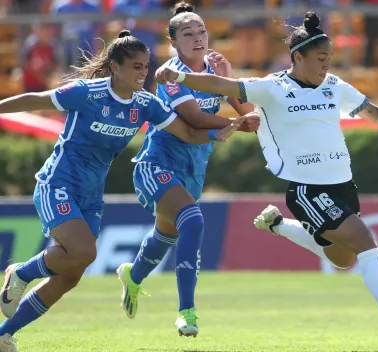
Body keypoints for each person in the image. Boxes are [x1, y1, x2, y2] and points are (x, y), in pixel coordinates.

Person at [154, 11, 378, 348]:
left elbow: (375, 113)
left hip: (343, 187)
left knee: (344, 258)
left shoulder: (334, 86)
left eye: (330, 59)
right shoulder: (272, 89)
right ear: (298, 57)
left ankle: (278, 225)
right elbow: (223, 86)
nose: (326, 65)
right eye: (321, 59)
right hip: (307, 190)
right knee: (364, 239)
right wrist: (179, 76)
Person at [0, 30, 244, 352]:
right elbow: (37, 99)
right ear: (115, 67)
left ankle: (5, 334)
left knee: (71, 274)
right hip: (58, 183)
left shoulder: (146, 104)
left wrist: (219, 132)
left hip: (91, 195)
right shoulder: (87, 92)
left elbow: (186, 131)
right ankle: (22, 272)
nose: (143, 73)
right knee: (85, 253)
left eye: (146, 66)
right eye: (135, 67)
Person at [116, 1, 258, 338]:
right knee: (192, 220)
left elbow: (250, 116)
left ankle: (133, 276)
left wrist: (229, 81)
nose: (198, 38)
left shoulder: (216, 66)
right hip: (157, 164)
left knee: (166, 235)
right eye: (188, 33)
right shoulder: (169, 74)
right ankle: (186, 313)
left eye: (202, 31)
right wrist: (236, 121)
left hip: (193, 168)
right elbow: (194, 119)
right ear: (174, 43)